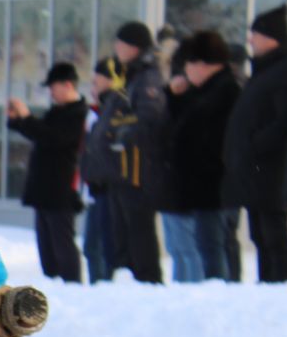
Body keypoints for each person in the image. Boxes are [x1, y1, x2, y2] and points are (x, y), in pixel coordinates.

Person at [223, 5, 287, 283]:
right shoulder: (265, 70)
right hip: (256, 170)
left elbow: (284, 121)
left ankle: (279, 283)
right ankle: (268, 283)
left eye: (255, 34)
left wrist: (255, 144)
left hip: (274, 171)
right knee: (259, 234)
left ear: (271, 37)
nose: (250, 40)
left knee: (273, 231)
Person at [162, 31, 239, 284]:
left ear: (202, 64)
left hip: (211, 185)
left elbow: (202, 135)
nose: (185, 71)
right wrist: (175, 97)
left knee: (211, 248)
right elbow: (180, 125)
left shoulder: (223, 92)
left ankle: (217, 293)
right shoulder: (204, 92)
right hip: (199, 185)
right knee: (202, 246)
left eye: (189, 64)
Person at [6, 63, 87, 283]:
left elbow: (55, 138)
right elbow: (41, 133)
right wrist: (18, 121)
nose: (51, 92)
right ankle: (53, 280)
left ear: (67, 85)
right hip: (44, 189)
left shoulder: (78, 113)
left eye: (53, 86)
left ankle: (72, 284)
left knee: (62, 242)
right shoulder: (58, 111)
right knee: (46, 245)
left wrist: (27, 118)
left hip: (60, 188)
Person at [104, 22, 168, 284]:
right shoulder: (132, 75)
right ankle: (131, 279)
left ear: (133, 46)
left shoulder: (148, 76)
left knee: (139, 230)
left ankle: (148, 281)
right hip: (125, 168)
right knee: (124, 230)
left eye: (121, 43)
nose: (117, 49)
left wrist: (121, 130)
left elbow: (149, 117)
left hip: (138, 170)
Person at [80, 57, 122, 283]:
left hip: (108, 187)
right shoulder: (96, 114)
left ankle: (104, 286)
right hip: (95, 187)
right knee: (91, 247)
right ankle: (98, 286)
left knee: (101, 247)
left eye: (97, 82)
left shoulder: (115, 110)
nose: (93, 89)